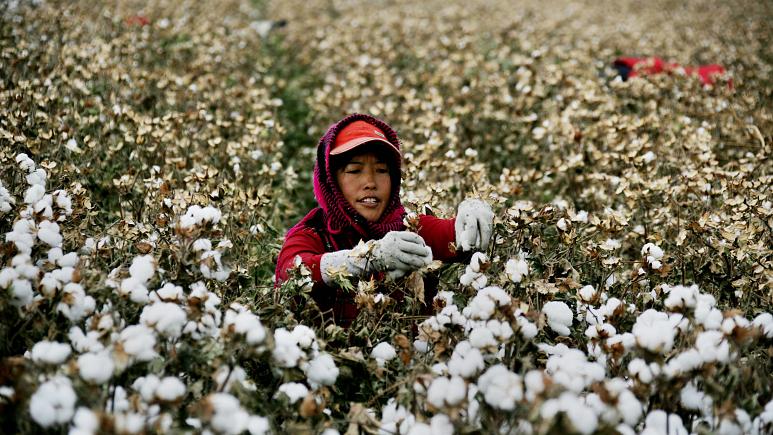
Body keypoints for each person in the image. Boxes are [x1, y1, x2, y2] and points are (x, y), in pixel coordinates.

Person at [275, 113, 493, 325]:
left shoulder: (410, 229)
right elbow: (291, 272)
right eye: (354, 171)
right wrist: (370, 258)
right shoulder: (314, 234)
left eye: (381, 170)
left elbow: (453, 235)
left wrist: (473, 214)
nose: (370, 182)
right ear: (331, 180)